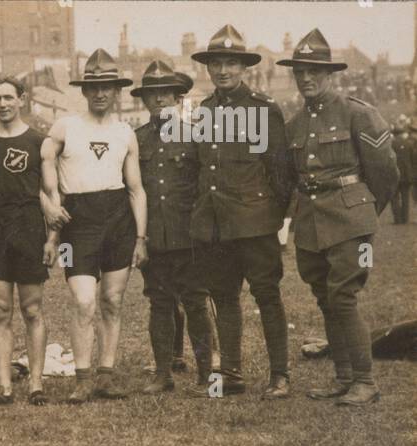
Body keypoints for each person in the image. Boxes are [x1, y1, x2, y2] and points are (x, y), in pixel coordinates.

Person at [278, 29, 398, 406]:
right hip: (312, 224)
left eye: (314, 71)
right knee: (325, 298)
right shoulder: (294, 125)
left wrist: (363, 214)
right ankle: (344, 377)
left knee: (344, 297)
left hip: (351, 223)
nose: (307, 78)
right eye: (300, 72)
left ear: (331, 74)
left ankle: (365, 380)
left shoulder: (358, 113)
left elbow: (385, 174)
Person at [190, 25, 294, 399]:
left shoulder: (264, 109)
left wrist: (276, 221)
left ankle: (279, 375)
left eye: (231, 64)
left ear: (244, 68)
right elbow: (205, 167)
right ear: (208, 68)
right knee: (224, 295)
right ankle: (231, 373)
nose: (223, 71)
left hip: (255, 221)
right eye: (216, 64)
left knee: (267, 295)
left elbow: (281, 171)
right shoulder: (204, 110)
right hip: (216, 222)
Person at [39, 49, 148, 404]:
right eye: (94, 87)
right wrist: (50, 203)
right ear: (84, 91)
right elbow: (41, 166)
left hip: (118, 221)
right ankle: (82, 377)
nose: (101, 93)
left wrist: (141, 238)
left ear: (117, 91)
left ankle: (105, 375)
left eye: (108, 87)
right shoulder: (65, 126)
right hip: (76, 225)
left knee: (112, 300)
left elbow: (135, 189)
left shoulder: (124, 133)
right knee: (84, 301)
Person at [130, 60, 216, 395]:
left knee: (195, 302)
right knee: (159, 303)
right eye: (152, 95)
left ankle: (207, 375)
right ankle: (163, 373)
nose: (159, 101)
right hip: (153, 237)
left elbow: (207, 186)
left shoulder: (196, 135)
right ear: (145, 101)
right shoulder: (136, 140)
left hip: (190, 237)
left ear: (178, 98)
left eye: (166, 94)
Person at [0, 76, 53, 406]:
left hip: (29, 228)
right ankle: (4, 386)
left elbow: (51, 193)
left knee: (32, 309)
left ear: (21, 99)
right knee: (0, 311)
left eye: (8, 98)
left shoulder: (38, 141)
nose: (2, 104)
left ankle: (35, 384)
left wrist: (52, 239)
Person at [390, 114, 412, 225]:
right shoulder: (409, 144)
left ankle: (397, 219)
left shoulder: (390, 145)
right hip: (407, 175)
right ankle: (405, 219)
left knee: (394, 198)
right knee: (405, 198)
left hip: (393, 175)